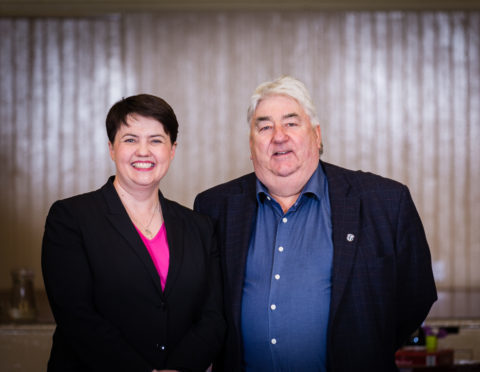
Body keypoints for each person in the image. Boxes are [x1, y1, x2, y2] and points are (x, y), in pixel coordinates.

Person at [194, 76, 437, 372]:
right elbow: (204, 306)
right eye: (265, 126)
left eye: (291, 123)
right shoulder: (215, 207)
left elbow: (416, 297)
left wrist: (365, 349)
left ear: (317, 136)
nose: (278, 136)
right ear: (251, 144)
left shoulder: (385, 202)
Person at [42, 94, 225, 372]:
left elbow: (213, 317)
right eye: (130, 139)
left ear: (172, 149)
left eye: (156, 140)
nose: (143, 151)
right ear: (111, 148)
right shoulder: (71, 218)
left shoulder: (199, 226)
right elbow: (76, 316)